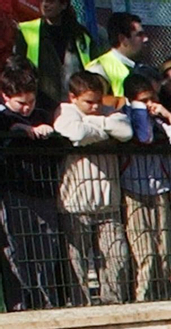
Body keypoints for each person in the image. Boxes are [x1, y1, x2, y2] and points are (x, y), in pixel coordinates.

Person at [53, 71, 131, 304]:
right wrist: (105, 131)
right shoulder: (65, 112)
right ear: (73, 97)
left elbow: (126, 132)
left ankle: (113, 304)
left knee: (117, 258)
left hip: (108, 203)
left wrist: (95, 122)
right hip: (74, 204)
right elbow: (74, 132)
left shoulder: (105, 112)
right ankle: (81, 308)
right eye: (89, 102)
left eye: (99, 100)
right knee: (77, 266)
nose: (96, 106)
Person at [120, 73, 171, 301]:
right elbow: (143, 137)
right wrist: (139, 112)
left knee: (163, 251)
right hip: (134, 190)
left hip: (161, 189)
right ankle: (142, 298)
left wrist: (168, 116)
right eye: (145, 100)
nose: (151, 104)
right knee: (146, 253)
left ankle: (164, 295)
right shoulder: (125, 117)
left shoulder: (161, 120)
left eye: (153, 98)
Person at [0, 62, 66, 309]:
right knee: (18, 250)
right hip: (14, 193)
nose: (27, 108)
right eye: (20, 103)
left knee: (46, 249)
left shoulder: (42, 115)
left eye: (31, 101)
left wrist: (49, 132)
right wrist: (16, 129)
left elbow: (59, 151)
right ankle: (21, 303)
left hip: (44, 192)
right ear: (6, 97)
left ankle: (47, 302)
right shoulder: (4, 120)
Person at [9, 0, 93, 113]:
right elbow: (17, 67)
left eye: (50, 1)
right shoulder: (27, 30)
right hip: (39, 104)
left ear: (63, 5)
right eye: (42, 1)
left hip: (76, 104)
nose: (45, 5)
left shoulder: (81, 35)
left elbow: (92, 68)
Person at [88, 13, 150, 99]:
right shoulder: (99, 68)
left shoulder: (140, 68)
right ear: (122, 39)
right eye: (139, 35)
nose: (146, 39)